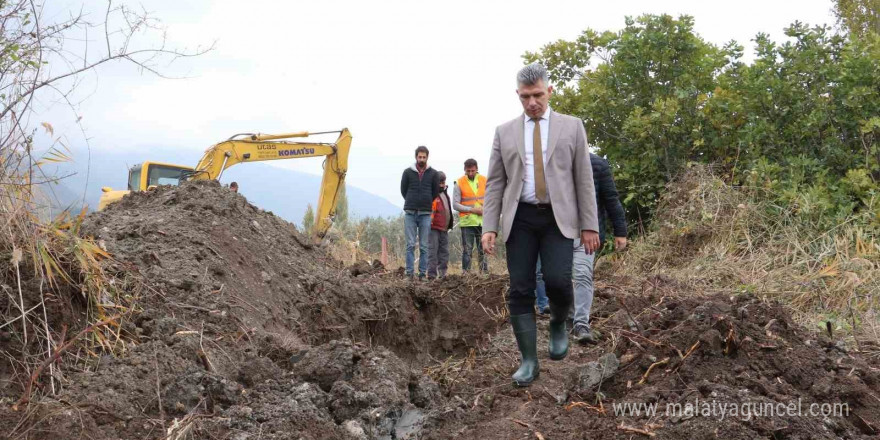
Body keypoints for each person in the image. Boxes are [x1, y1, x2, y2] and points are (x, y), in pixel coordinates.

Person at [481, 63, 600, 387]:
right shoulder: (504, 132)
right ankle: (529, 361)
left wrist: (590, 225)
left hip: (558, 219)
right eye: (524, 97)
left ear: (549, 91)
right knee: (520, 288)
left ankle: (559, 323)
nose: (532, 102)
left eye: (537, 95)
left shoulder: (572, 127)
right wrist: (489, 226)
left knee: (559, 282)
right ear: (517, 96)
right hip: (520, 217)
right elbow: (495, 183)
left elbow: (583, 178)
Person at [534, 153, 628, 345]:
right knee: (559, 279)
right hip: (557, 233)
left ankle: (581, 324)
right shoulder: (553, 163)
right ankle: (566, 317)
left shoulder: (598, 165)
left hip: (587, 233)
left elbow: (610, 198)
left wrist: (620, 231)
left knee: (583, 274)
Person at [400, 146, 441, 280]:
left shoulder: (434, 174)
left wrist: (426, 201)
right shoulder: (407, 172)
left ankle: (423, 274)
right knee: (410, 244)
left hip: (425, 213)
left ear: (427, 157)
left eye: (424, 157)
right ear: (416, 157)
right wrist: (412, 200)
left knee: (424, 246)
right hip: (410, 212)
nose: (421, 159)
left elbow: (435, 192)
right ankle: (409, 273)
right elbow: (403, 190)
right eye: (419, 157)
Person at [453, 159, 488, 274]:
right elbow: (455, 204)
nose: (471, 173)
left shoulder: (485, 180)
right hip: (467, 222)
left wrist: (486, 209)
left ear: (477, 168)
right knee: (467, 250)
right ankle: (466, 274)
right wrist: (472, 210)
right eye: (468, 171)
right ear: (465, 170)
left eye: (473, 170)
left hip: (483, 221)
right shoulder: (459, 183)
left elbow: (491, 198)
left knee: (483, 249)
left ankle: (484, 273)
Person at [428, 172, 453, 280]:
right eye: (440, 183)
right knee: (433, 252)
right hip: (433, 228)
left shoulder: (445, 194)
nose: (442, 185)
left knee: (444, 253)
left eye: (443, 182)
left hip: (444, 228)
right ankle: (431, 275)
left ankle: (443, 274)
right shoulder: (431, 195)